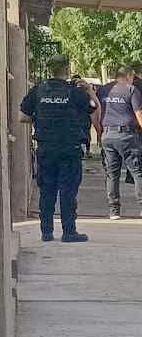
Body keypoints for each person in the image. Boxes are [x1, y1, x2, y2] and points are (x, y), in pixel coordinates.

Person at [19, 54, 95, 243]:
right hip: (69, 148)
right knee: (68, 191)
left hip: (46, 148)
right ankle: (69, 231)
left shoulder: (38, 90)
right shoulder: (75, 92)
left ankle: (46, 232)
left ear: (49, 69)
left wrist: (39, 119)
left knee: (47, 190)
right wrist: (89, 90)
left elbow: (22, 117)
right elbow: (93, 107)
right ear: (67, 69)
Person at [96, 67, 142, 221]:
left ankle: (114, 210)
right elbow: (140, 113)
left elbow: (97, 111)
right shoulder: (131, 90)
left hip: (108, 134)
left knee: (111, 174)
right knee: (138, 172)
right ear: (129, 76)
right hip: (127, 135)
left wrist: (99, 131)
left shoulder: (103, 90)